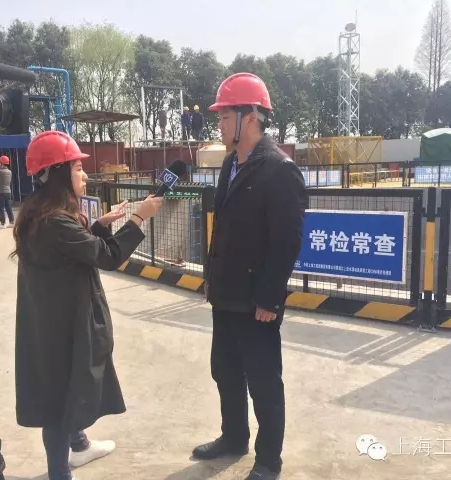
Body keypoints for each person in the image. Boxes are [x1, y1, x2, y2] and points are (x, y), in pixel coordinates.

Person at [12, 130, 164, 480]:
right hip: (64, 324)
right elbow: (107, 257)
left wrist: (98, 225)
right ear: (59, 174)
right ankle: (59, 472)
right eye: (78, 168)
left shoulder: (41, 215)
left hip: (51, 320)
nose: (84, 175)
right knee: (58, 400)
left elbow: (72, 251)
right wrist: (139, 218)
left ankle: (78, 445)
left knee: (64, 387)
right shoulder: (56, 222)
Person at [192, 73, 307, 480]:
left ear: (251, 116)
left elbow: (287, 241)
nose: (220, 125)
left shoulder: (280, 170)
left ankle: (268, 459)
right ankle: (233, 437)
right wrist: (212, 276)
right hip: (226, 294)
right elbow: (222, 227)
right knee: (225, 371)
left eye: (225, 116)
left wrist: (270, 298)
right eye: (220, 117)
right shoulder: (230, 164)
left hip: (257, 300)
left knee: (263, 382)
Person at [0, 155, 15, 228]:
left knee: (0, 208)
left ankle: (2, 223)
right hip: (8, 192)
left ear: (2, 163)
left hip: (0, 192)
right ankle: (11, 222)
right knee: (8, 207)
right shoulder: (9, 171)